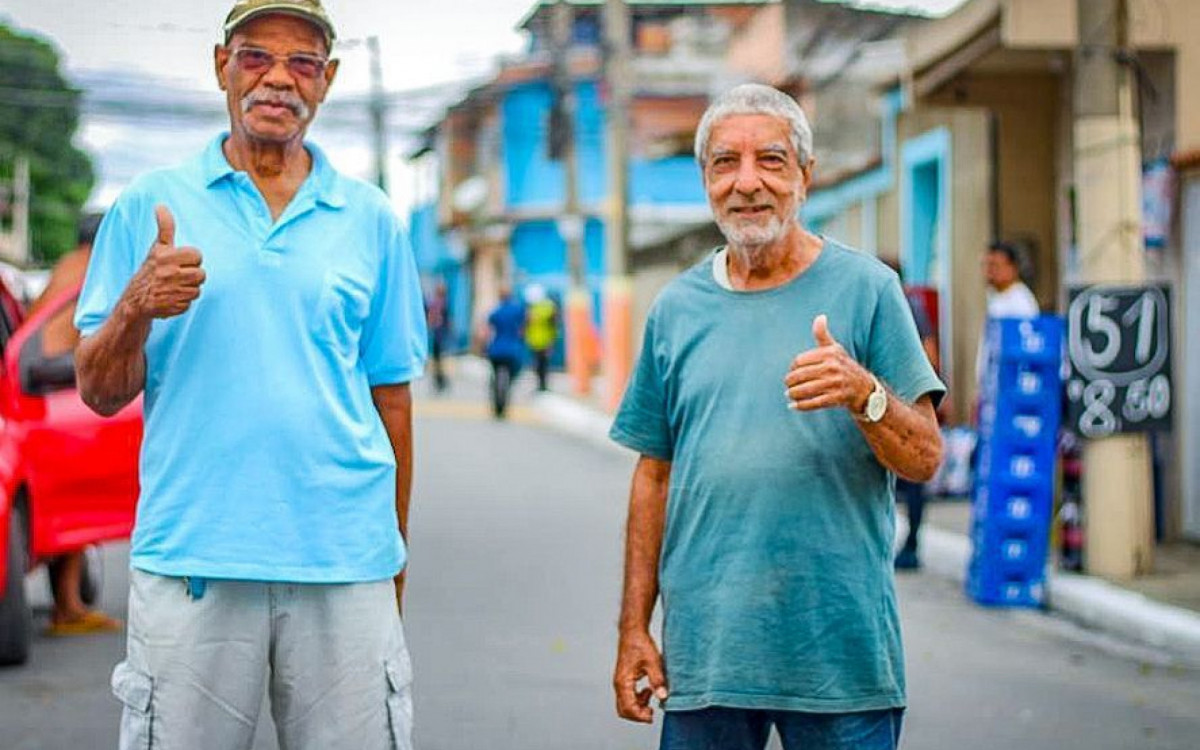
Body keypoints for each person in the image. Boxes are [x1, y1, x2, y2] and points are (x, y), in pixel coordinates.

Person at [73, 2, 426, 748]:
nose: (277, 79)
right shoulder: (150, 205)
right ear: (220, 67)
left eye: (302, 63)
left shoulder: (371, 219)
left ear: (326, 81)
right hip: (193, 555)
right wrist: (138, 303)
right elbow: (99, 391)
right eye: (254, 56)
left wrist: (391, 553)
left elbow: (390, 398)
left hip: (344, 559)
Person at [609, 84, 945, 750]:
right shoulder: (676, 310)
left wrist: (865, 394)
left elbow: (926, 457)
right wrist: (633, 630)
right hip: (707, 659)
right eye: (724, 163)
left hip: (839, 663)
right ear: (705, 180)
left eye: (770, 160)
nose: (747, 183)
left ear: (805, 176)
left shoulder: (867, 289)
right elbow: (654, 478)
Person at [27, 213, 123, 635]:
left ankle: (69, 600)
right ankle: (67, 605)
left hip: (41, 387)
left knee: (68, 500)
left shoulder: (67, 267)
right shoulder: (90, 271)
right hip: (53, 391)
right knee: (79, 497)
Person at [484, 286, 526, 418]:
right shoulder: (518, 310)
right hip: (512, 350)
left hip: (496, 350)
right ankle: (505, 396)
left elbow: (486, 330)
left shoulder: (496, 312)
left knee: (495, 376)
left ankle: (496, 401)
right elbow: (525, 324)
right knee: (512, 375)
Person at [523, 283, 558, 391]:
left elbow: (553, 324)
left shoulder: (533, 308)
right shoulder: (547, 306)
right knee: (541, 365)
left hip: (539, 341)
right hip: (540, 340)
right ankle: (542, 385)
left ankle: (542, 385)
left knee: (540, 365)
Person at [426, 280, 452, 392]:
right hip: (440, 334)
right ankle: (440, 379)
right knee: (440, 358)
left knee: (437, 358)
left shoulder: (433, 302)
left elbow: (430, 317)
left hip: (435, 333)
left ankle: (439, 379)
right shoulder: (444, 303)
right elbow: (447, 320)